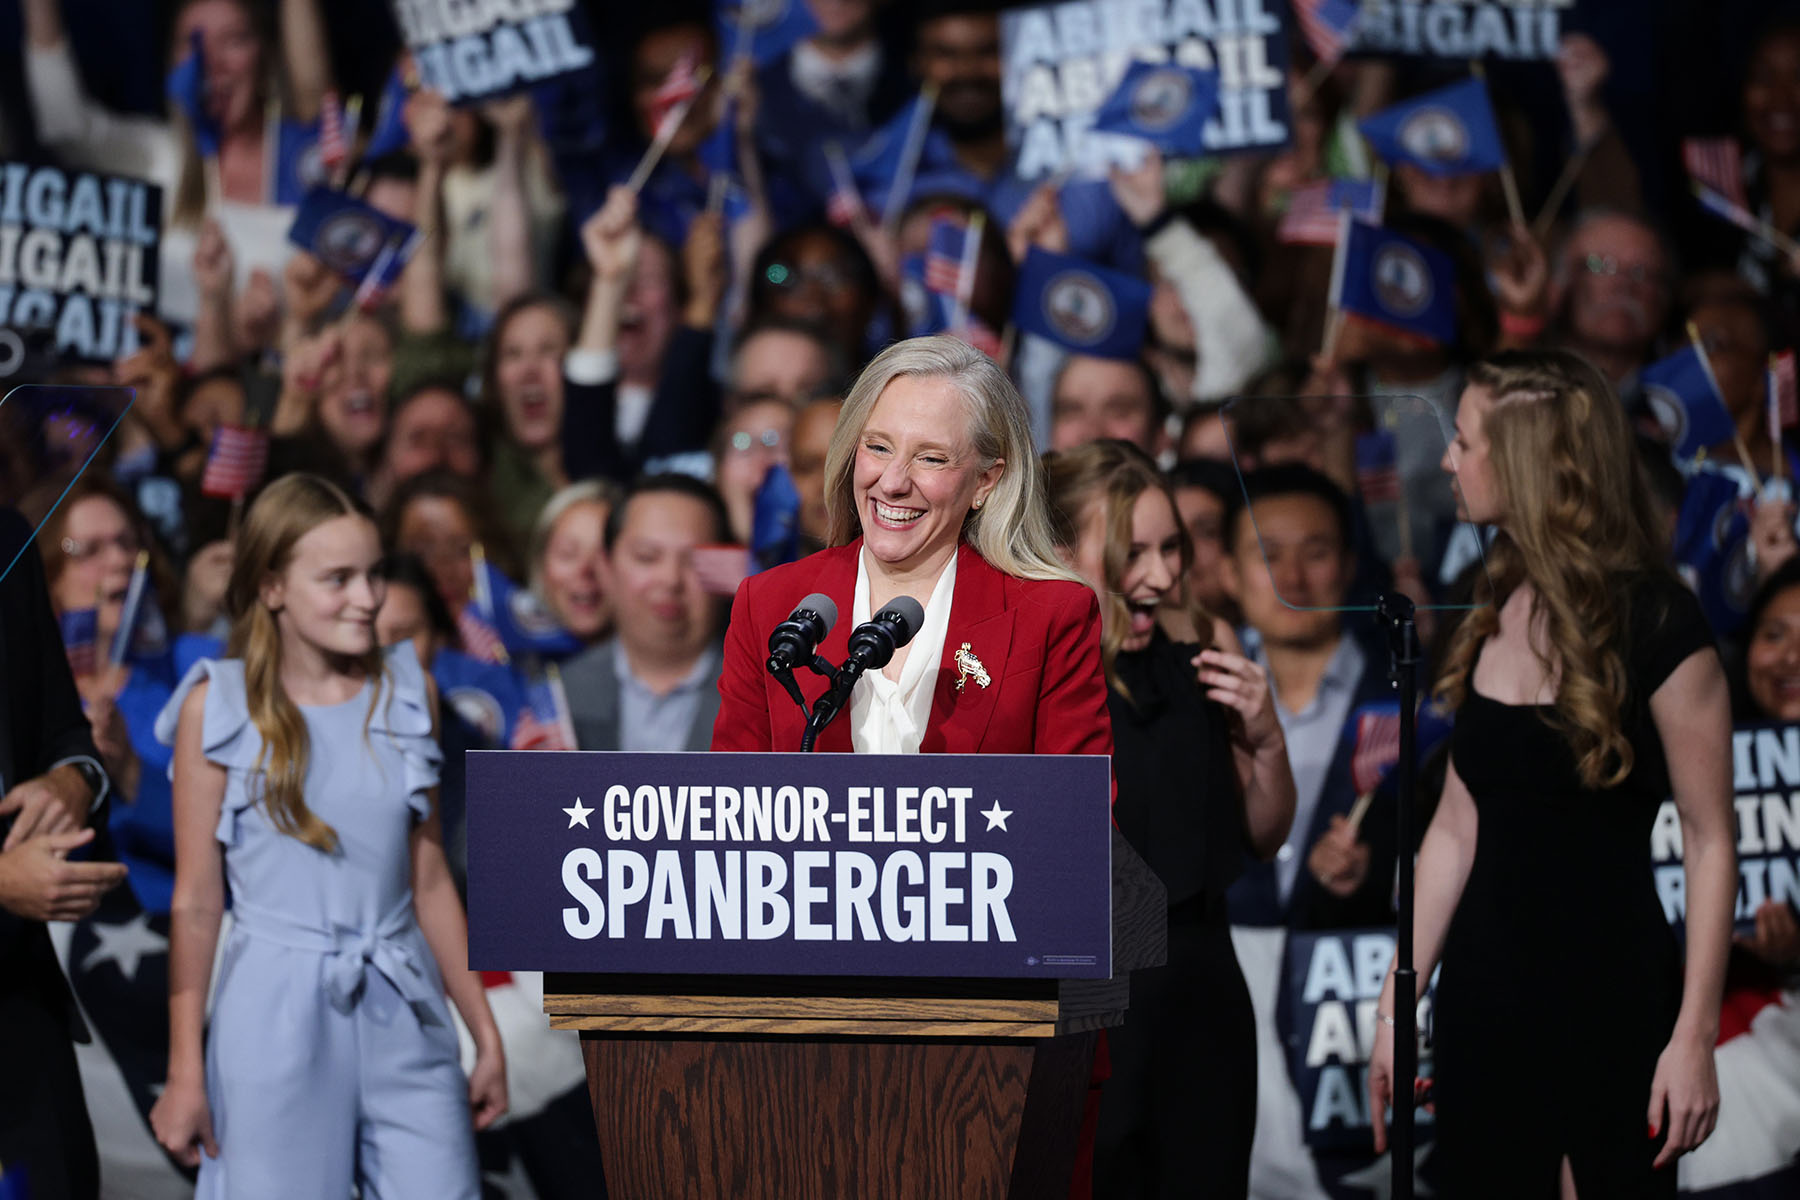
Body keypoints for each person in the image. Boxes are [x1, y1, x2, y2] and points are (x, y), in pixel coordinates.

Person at [1367, 350, 1735, 1196]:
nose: (1448, 461)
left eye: (1463, 441)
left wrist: (1695, 1037)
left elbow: (1712, 840)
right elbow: (1455, 831)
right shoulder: (1488, 593)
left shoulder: (1660, 623)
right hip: (1484, 1006)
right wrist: (1394, 1011)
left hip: (1611, 1005)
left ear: (1529, 459)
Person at [147, 473, 507, 1195]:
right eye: (337, 578)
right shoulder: (212, 708)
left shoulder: (410, 690)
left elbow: (429, 877)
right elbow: (195, 902)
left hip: (405, 1005)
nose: (368, 598)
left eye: (373, 574)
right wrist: (185, 1070)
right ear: (273, 586)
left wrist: (484, 1031)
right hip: (270, 1014)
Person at [1045, 440, 1295, 1198]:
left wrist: (1267, 736)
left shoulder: (1205, 642)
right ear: (1059, 549)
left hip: (1200, 979)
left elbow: (1263, 833)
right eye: (1130, 553)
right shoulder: (1035, 664)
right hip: (1083, 985)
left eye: (1170, 548)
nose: (1157, 575)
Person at [712, 334, 1112, 759]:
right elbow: (732, 805)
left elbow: (1079, 814)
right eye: (878, 447)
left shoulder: (1050, 617)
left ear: (985, 481)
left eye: (931, 458)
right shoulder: (767, 604)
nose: (893, 482)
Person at [0, 505, 127, 1199]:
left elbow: (60, 728)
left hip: (19, 991)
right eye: (341, 578)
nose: (365, 598)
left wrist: (75, 777)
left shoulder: (8, 537)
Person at [559, 475, 731, 752]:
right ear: (606, 566)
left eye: (694, 561)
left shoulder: (767, 699)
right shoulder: (560, 697)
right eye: (647, 556)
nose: (671, 579)